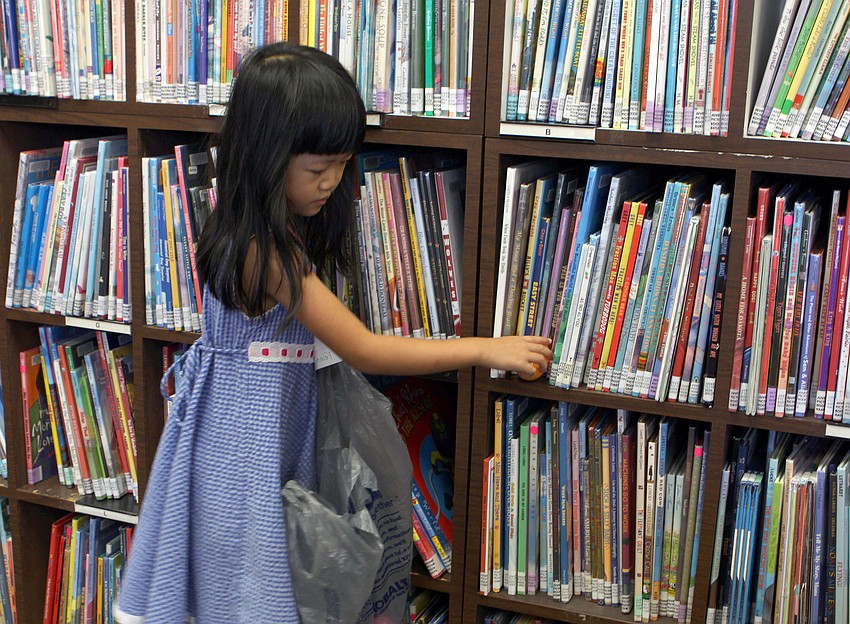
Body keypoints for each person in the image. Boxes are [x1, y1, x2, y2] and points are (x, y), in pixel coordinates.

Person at [114, 42, 551, 624]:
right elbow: (362, 346)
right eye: (319, 170)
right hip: (244, 445)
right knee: (247, 587)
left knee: (264, 579)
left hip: (265, 430)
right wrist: (485, 349)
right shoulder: (262, 251)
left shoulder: (272, 232)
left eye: (343, 166)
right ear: (267, 158)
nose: (333, 183)